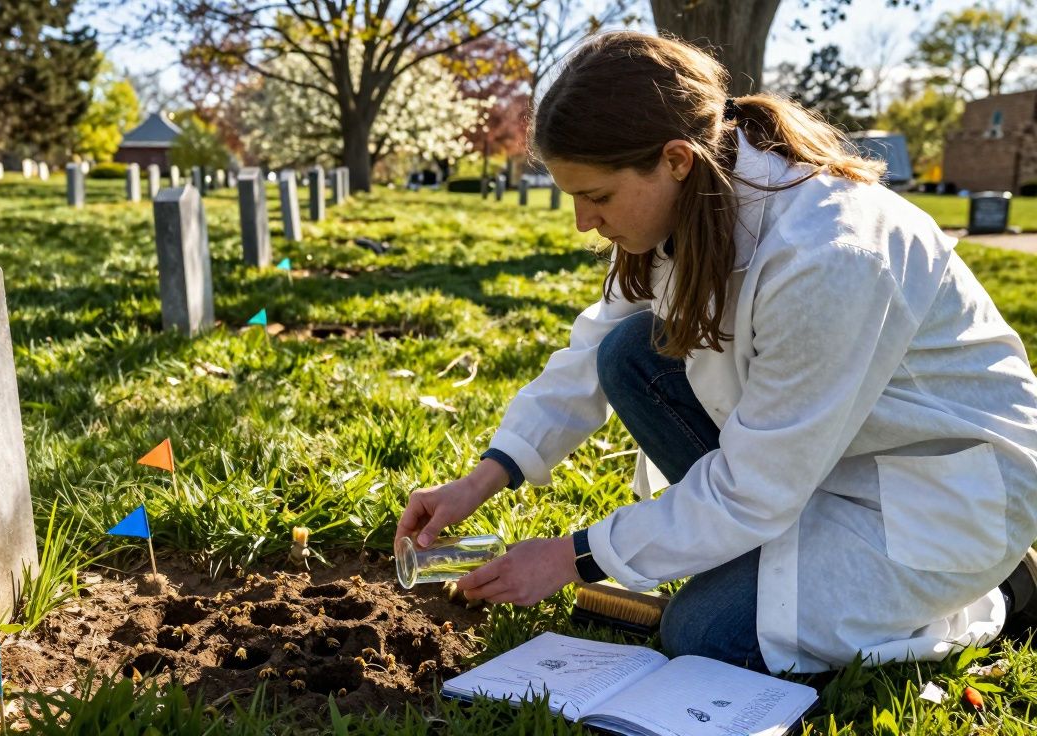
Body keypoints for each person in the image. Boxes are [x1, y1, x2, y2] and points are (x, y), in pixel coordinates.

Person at [394, 31, 1037, 675]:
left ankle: (1000, 589)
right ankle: (773, 561)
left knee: (703, 635)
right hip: (813, 460)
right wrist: (481, 480)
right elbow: (591, 354)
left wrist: (570, 557)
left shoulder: (829, 256)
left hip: (934, 494)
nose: (582, 222)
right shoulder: (682, 207)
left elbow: (756, 487)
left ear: (675, 158)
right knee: (627, 353)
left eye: (597, 196)